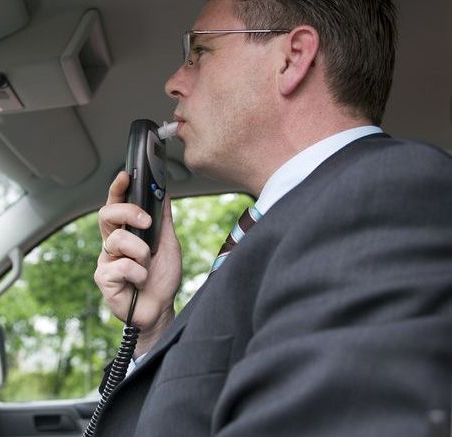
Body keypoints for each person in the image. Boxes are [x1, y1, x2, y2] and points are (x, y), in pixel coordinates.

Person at [93, 0, 452, 435]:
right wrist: (154, 330)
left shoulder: (389, 192)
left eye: (199, 53)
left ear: (293, 57)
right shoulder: (300, 223)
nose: (173, 82)